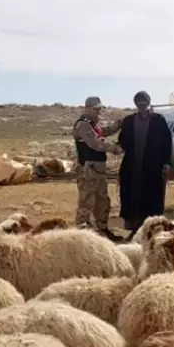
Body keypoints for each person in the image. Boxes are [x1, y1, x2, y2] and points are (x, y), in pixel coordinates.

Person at [116, 90, 173, 237]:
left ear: (148, 103)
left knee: (152, 196)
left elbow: (167, 142)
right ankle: (135, 229)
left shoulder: (158, 120)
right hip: (132, 166)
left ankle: (152, 228)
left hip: (153, 166)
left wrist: (166, 163)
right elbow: (122, 141)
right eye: (139, 104)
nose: (142, 107)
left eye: (144, 104)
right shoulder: (129, 121)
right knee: (133, 196)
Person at [73, 96, 121, 239]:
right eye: (96, 109)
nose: (99, 111)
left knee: (102, 200)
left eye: (100, 108)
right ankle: (81, 232)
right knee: (87, 200)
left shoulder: (94, 125)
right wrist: (113, 148)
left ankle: (102, 229)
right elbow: (94, 143)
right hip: (88, 168)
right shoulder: (83, 125)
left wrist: (119, 124)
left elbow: (104, 132)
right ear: (87, 108)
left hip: (98, 168)